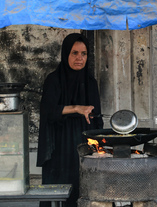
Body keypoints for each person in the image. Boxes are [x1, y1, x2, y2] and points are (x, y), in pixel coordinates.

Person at [36, 33, 103, 207]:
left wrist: (98, 147)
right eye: (74, 53)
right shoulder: (53, 80)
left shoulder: (90, 82)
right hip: (58, 143)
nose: (79, 58)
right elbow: (48, 111)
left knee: (83, 189)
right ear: (66, 53)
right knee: (58, 190)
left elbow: (97, 118)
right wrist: (76, 108)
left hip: (83, 143)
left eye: (84, 53)